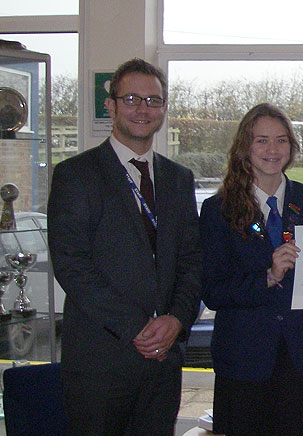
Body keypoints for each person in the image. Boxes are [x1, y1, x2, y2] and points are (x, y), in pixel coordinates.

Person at [47, 58, 202, 436]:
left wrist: (177, 320)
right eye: (132, 98)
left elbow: (192, 260)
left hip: (163, 362)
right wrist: (137, 327)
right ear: (111, 106)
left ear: (164, 108)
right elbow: (72, 266)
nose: (143, 109)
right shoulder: (75, 175)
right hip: (100, 363)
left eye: (153, 100)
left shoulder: (179, 179)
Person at [199, 103, 303, 436]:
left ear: (291, 146)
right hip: (245, 360)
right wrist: (268, 277)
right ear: (245, 146)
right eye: (261, 140)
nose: (273, 150)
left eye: (281, 140)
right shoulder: (219, 210)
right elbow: (213, 292)